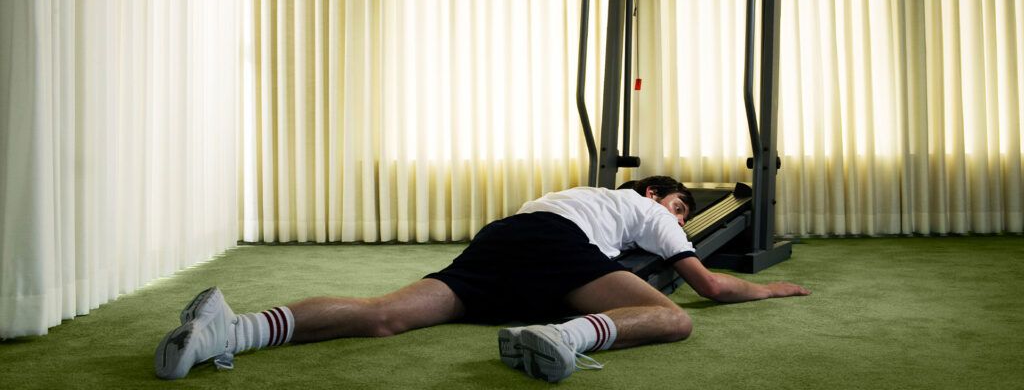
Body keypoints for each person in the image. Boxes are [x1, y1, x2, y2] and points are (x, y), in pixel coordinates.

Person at [154, 175, 809, 382]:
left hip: (501, 239)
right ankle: (567, 339)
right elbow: (712, 287)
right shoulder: (645, 211)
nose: (679, 218)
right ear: (651, 192)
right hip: (558, 250)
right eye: (680, 206)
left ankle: (227, 329)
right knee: (674, 319)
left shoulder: (569, 192)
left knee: (385, 314)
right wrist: (771, 287)